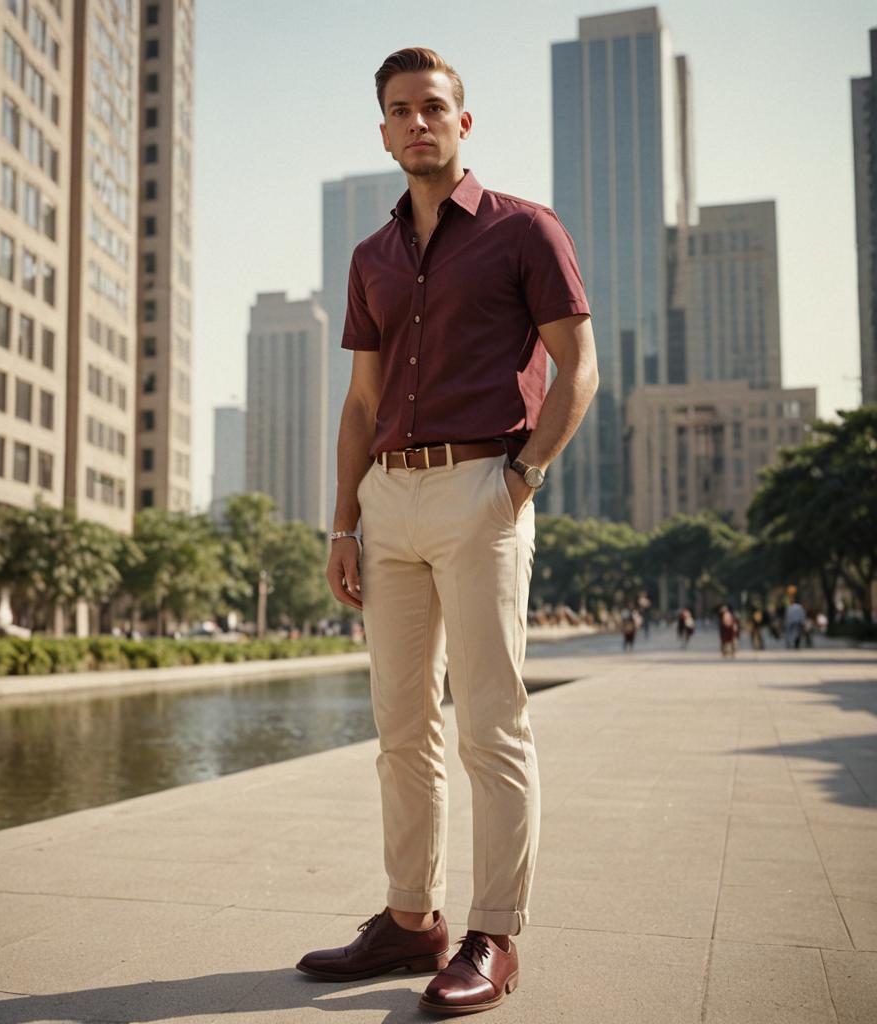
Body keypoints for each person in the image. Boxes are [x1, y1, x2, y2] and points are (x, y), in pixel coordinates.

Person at [296, 47, 598, 1016]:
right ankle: (408, 915)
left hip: (483, 486)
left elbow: (577, 368)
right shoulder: (370, 258)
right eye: (399, 110)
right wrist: (341, 521)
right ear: (382, 132)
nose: (416, 122)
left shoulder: (523, 231)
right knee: (399, 726)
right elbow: (359, 403)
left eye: (433, 107)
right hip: (387, 500)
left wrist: (519, 480)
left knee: (489, 721)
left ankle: (494, 931)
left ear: (463, 124)